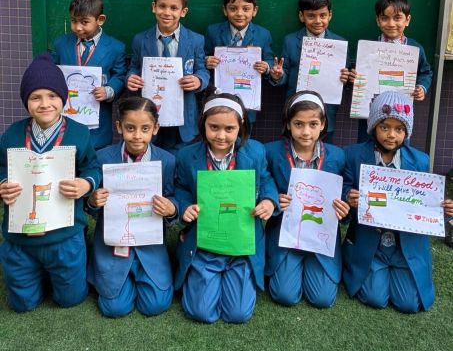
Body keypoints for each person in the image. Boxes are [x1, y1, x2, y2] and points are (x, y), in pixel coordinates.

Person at [0, 53, 101, 312]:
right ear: (26, 101)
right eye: (36, 97)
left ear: (63, 98)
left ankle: (58, 273)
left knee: (70, 300)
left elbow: (92, 166)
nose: (45, 104)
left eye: (52, 96)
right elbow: (1, 167)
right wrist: (3, 184)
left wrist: (86, 184)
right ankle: (34, 274)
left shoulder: (79, 133)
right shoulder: (11, 134)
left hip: (65, 235)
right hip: (21, 237)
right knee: (22, 304)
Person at [343, 90, 453, 312]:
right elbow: (344, 189)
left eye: (399, 129)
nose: (391, 135)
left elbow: (424, 201)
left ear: (406, 132)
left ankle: (400, 270)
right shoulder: (353, 155)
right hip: (370, 242)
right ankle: (373, 269)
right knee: (375, 298)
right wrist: (348, 197)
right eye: (385, 127)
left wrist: (443, 209)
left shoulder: (420, 161)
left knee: (409, 304)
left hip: (405, 244)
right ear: (373, 126)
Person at [174, 92, 279, 323]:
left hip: (241, 245)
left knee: (238, 314)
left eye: (229, 129)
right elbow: (181, 188)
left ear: (241, 126)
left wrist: (269, 201)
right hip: (205, 242)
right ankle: (203, 273)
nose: (221, 135)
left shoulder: (255, 152)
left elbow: (266, 180)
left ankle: (235, 274)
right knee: (200, 312)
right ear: (203, 124)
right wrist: (185, 207)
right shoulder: (187, 155)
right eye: (214, 127)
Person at [87, 96, 176, 318]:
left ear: (155, 128)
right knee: (114, 308)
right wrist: (93, 201)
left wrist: (172, 208)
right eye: (130, 128)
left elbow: (174, 197)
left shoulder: (167, 161)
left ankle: (148, 275)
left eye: (145, 128)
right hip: (113, 244)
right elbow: (89, 203)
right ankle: (113, 277)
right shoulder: (102, 158)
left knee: (155, 305)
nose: (137, 135)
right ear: (119, 127)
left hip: (150, 244)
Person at [265, 91, 349, 308]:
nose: (305, 132)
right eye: (298, 124)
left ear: (323, 124)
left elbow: (344, 190)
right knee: (285, 295)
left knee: (322, 299)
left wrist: (344, 206)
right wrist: (273, 199)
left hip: (321, 238)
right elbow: (264, 182)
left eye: (313, 124)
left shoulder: (338, 156)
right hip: (286, 235)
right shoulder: (271, 152)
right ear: (288, 124)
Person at [127, 0, 210, 151]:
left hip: (182, 117)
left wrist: (198, 80)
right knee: (151, 157)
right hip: (149, 114)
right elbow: (134, 67)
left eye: (174, 8)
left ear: (183, 12)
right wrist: (131, 78)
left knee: (180, 157)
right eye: (162, 6)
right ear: (154, 7)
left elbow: (202, 69)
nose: (167, 12)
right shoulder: (140, 40)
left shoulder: (196, 40)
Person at [269, 0, 350, 143]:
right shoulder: (290, 41)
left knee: (324, 150)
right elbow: (285, 73)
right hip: (296, 109)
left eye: (323, 15)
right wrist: (278, 75)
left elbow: (343, 80)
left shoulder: (340, 43)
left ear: (330, 15)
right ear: (302, 16)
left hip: (325, 111)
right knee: (292, 149)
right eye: (311, 16)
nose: (318, 21)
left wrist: (345, 79)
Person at [52, 0, 127, 149]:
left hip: (97, 125)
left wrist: (109, 90)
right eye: (73, 21)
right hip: (65, 121)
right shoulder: (60, 44)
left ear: (100, 20)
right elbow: (52, 72)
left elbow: (120, 76)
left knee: (95, 157)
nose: (78, 27)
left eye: (84, 22)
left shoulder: (115, 48)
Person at [356, 0, 433, 142]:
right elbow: (359, 72)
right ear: (378, 21)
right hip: (370, 110)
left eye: (397, 18)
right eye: (385, 18)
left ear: (407, 20)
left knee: (399, 146)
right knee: (367, 144)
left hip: (401, 112)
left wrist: (421, 87)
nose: (391, 24)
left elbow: (425, 72)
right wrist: (355, 77)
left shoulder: (415, 48)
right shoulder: (368, 47)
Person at [204, 0, 274, 125]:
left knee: (245, 132)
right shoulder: (213, 31)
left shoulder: (263, 34)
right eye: (233, 8)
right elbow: (201, 57)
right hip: (219, 97)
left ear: (254, 11)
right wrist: (206, 61)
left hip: (247, 99)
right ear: (225, 10)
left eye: (246, 9)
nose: (239, 14)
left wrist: (267, 66)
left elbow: (270, 59)